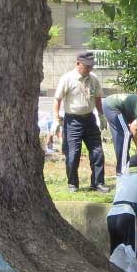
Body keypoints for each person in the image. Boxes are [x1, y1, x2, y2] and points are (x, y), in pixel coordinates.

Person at [53, 51, 107, 193]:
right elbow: (57, 99)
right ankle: (73, 184)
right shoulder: (67, 78)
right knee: (73, 153)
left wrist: (101, 115)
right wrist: (56, 119)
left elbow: (97, 98)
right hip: (73, 121)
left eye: (91, 66)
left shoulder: (93, 78)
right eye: (86, 66)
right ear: (78, 64)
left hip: (90, 119)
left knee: (97, 151)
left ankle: (97, 183)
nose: (89, 69)